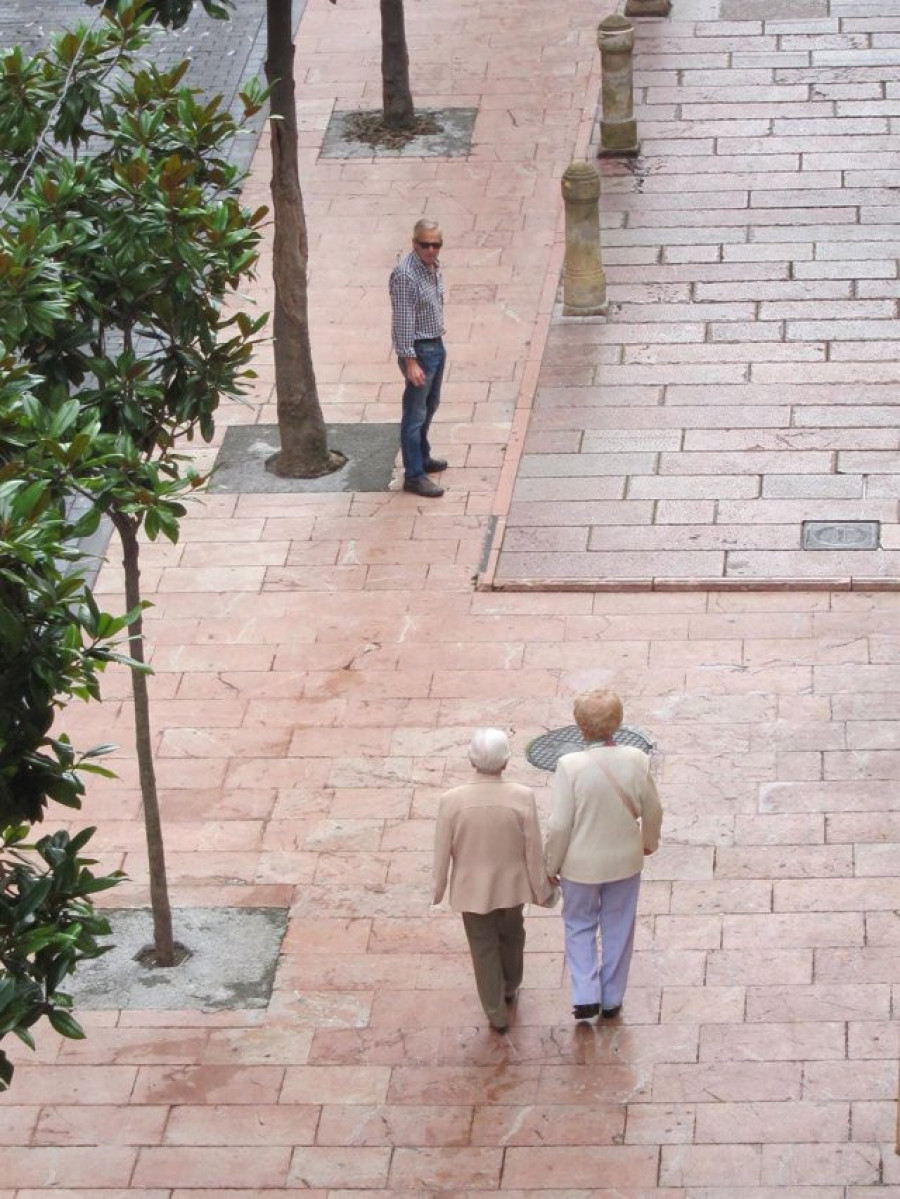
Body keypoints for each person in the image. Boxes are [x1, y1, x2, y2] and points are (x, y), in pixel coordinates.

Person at [544, 689, 662, 1022]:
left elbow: (559, 825)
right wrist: (647, 842)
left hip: (579, 866)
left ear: (579, 726)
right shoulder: (637, 759)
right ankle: (612, 997)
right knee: (619, 924)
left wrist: (551, 863)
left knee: (578, 923)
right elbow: (653, 810)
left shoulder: (569, 766)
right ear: (618, 723)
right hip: (625, 860)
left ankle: (585, 993)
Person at [432, 728, 554, 1032]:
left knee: (482, 946)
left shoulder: (451, 801)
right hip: (512, 885)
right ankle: (511, 985)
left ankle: (495, 1011)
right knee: (513, 934)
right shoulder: (522, 797)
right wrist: (543, 888)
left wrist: (438, 889)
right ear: (506, 762)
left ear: (471, 760)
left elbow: (441, 851)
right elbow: (533, 848)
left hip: (471, 889)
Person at [389, 218, 448, 498]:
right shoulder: (405, 275)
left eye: (436, 245)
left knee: (430, 405)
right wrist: (410, 361)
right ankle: (414, 474)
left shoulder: (432, 268)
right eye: (425, 244)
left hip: (436, 345)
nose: (431, 250)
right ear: (414, 244)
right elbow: (403, 321)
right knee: (415, 414)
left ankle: (423, 456)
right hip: (420, 350)